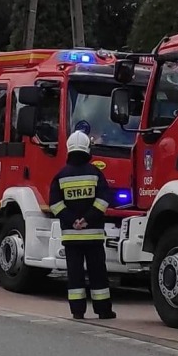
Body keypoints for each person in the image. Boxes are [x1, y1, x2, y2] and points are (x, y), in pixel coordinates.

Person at [47, 130, 115, 320]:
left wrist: (72, 220)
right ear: (88, 149)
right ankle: (103, 311)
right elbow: (103, 200)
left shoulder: (60, 176)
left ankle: (77, 311)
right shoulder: (95, 173)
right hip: (93, 235)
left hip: (71, 236)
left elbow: (55, 204)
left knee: (75, 275)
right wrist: (88, 219)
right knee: (98, 274)